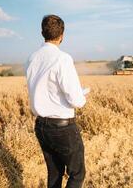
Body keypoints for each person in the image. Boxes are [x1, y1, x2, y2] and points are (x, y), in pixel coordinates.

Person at [25, 15, 87, 188]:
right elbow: (76, 100)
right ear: (62, 35)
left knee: (55, 173)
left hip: (40, 126)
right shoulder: (63, 59)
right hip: (62, 128)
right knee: (77, 173)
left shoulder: (31, 58)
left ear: (42, 33)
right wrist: (82, 97)